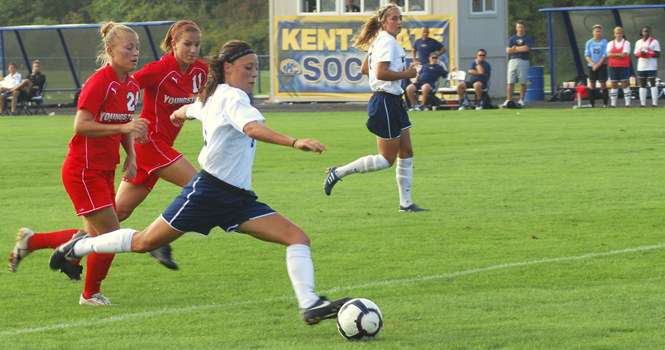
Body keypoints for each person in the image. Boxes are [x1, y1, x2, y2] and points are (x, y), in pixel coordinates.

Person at [50, 40, 351, 322]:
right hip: (207, 193)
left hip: (239, 199)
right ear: (228, 68)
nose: (254, 73)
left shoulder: (214, 95)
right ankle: (77, 247)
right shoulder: (232, 97)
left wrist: (180, 113)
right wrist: (295, 141)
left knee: (297, 237)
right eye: (248, 67)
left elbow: (188, 109)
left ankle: (309, 305)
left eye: (256, 68)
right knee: (144, 243)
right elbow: (252, 129)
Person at [8, 21, 207, 277]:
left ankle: (34, 242)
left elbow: (220, 81)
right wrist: (121, 123)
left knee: (109, 224)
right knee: (201, 187)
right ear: (172, 44)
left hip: (148, 152)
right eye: (187, 44)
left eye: (197, 45)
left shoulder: (202, 70)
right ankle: (155, 242)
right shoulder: (159, 69)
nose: (193, 50)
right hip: (149, 144)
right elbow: (125, 84)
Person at [53, 22, 149, 306]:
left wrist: (130, 154)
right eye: (128, 48)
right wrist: (125, 128)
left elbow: (123, 124)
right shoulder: (99, 81)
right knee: (111, 238)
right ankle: (89, 292)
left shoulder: (131, 84)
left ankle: (74, 251)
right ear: (110, 51)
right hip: (83, 170)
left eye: (137, 48)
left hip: (105, 170)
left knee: (101, 239)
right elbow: (81, 125)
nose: (134, 53)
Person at [323, 4, 428, 212]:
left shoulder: (381, 40)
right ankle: (338, 172)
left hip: (393, 101)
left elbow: (365, 69)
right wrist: (407, 74)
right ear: (384, 22)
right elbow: (380, 73)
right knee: (385, 159)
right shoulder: (387, 42)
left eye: (400, 18)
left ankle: (406, 204)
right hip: (386, 102)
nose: (399, 22)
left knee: (406, 152)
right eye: (394, 18)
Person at [503, 20, 532, 108]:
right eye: (518, 27)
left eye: (522, 27)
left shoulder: (527, 38)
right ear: (516, 28)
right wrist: (519, 48)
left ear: (524, 28)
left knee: (523, 82)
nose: (520, 29)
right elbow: (508, 50)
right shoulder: (512, 38)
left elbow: (526, 49)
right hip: (513, 60)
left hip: (523, 60)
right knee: (511, 81)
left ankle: (521, 100)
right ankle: (509, 99)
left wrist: (515, 48)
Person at [633, 26, 660, 107]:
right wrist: (641, 54)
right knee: (642, 84)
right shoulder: (638, 42)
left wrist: (649, 54)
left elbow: (658, 54)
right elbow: (635, 55)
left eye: (647, 31)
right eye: (644, 31)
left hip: (651, 66)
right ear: (642, 33)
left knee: (652, 83)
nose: (646, 33)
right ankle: (643, 103)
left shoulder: (654, 42)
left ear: (650, 32)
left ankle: (654, 103)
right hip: (641, 66)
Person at [584, 25, 609, 108]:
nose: (598, 33)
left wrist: (598, 64)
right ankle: (592, 104)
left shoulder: (605, 42)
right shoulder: (589, 43)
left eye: (599, 31)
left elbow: (605, 55)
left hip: (602, 66)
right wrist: (594, 64)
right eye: (596, 31)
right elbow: (587, 55)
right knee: (592, 85)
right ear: (593, 32)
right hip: (592, 66)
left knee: (603, 85)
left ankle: (605, 104)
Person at [607, 26, 631, 108]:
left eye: (620, 33)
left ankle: (627, 104)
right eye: (617, 33)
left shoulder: (626, 43)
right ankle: (613, 104)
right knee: (614, 84)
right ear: (614, 34)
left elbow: (624, 55)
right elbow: (608, 54)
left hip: (623, 66)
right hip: (613, 66)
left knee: (625, 84)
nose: (618, 35)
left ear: (622, 34)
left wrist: (614, 55)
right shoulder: (611, 43)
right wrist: (619, 55)